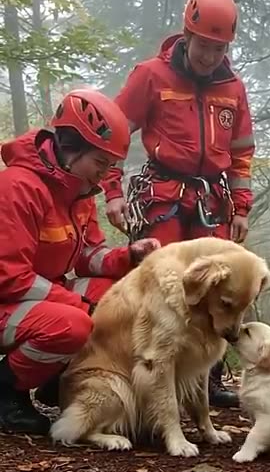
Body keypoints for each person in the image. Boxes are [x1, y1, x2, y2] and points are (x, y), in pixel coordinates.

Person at [101, 0, 255, 408]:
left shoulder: (233, 88)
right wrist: (112, 190)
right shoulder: (151, 75)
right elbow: (113, 133)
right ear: (187, 35)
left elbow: (241, 152)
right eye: (204, 45)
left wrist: (240, 207)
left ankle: (207, 381)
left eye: (219, 48)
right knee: (164, 289)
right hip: (164, 193)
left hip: (212, 199)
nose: (210, 56)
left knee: (217, 286)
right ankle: (149, 373)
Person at [0, 88, 159, 436]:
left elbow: (89, 255)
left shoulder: (78, 192)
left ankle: (56, 381)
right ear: (71, 147)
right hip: (8, 298)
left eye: (109, 166)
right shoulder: (18, 186)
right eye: (99, 163)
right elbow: (10, 278)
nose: (103, 175)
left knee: (116, 294)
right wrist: (80, 304)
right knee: (73, 323)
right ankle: (6, 392)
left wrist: (129, 256)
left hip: (34, 297)